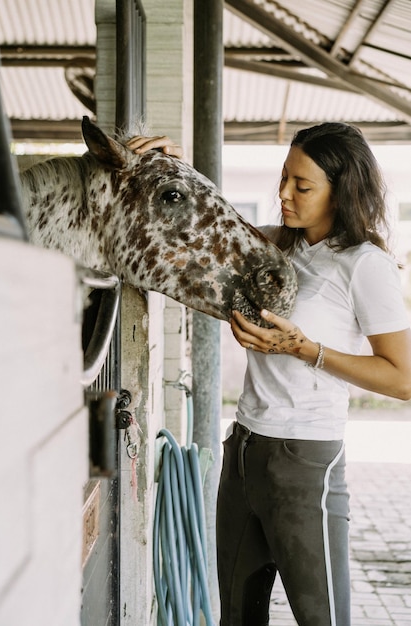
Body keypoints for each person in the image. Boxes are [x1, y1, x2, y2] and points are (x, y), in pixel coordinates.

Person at [128, 124, 411, 626]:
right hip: (243, 453)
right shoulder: (277, 245)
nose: (283, 194)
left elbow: (403, 379)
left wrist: (306, 350)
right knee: (236, 616)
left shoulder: (364, 266)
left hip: (305, 461)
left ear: (341, 191)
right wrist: (168, 164)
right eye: (284, 178)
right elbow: (206, 223)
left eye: (302, 186)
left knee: (321, 619)